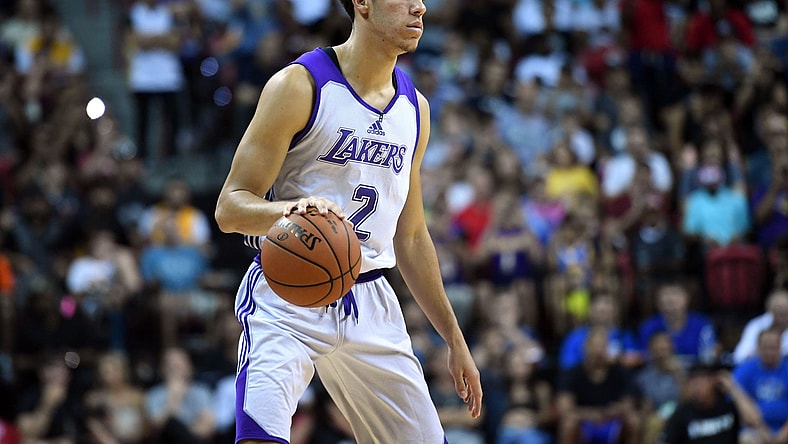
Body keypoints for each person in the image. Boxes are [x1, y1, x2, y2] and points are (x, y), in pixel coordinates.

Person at [213, 1, 483, 443]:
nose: (421, 7)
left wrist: (455, 339)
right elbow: (230, 208)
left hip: (371, 298)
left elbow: (412, 237)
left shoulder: (416, 109)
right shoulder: (299, 85)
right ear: (363, 4)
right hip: (286, 294)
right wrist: (292, 212)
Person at [732, 328, 788, 444]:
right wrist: (761, 429)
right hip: (753, 429)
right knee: (747, 440)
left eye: (773, 348)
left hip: (784, 427)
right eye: (766, 348)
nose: (770, 352)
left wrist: (784, 433)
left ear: (780, 347)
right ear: (758, 347)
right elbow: (739, 405)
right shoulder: (744, 370)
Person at [733, 289, 788, 364]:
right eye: (779, 312)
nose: (782, 317)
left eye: (785, 312)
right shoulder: (756, 325)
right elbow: (739, 356)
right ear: (770, 310)